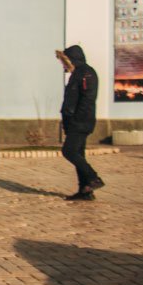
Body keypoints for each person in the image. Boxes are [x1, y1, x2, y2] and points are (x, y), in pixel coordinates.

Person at [57, 45, 104, 201]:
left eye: (64, 61)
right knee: (79, 153)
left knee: (69, 151)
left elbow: (81, 100)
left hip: (79, 121)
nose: (63, 65)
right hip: (81, 121)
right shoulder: (83, 72)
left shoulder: (83, 73)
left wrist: (73, 120)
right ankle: (85, 190)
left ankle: (93, 178)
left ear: (72, 59)